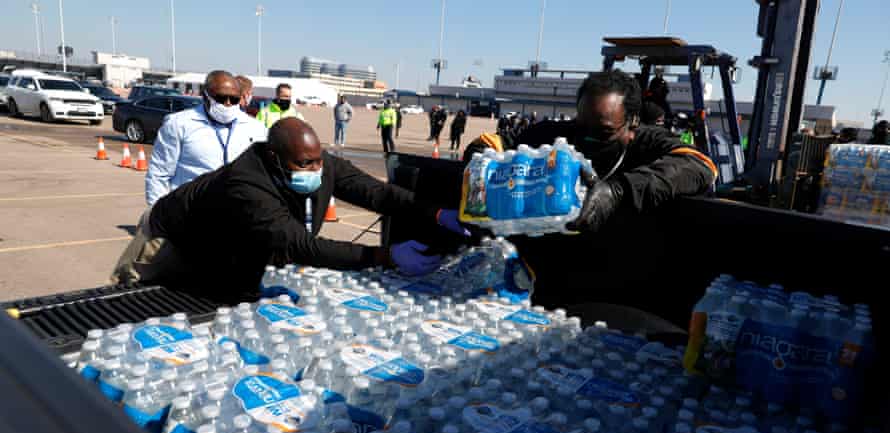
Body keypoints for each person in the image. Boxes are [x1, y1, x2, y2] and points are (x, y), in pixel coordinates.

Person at [111, 118, 469, 302]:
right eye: (304, 164)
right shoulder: (246, 184)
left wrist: (436, 214)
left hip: (225, 252)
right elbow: (301, 246)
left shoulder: (317, 162)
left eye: (318, 162)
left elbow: (377, 193)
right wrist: (387, 256)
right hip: (169, 240)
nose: (316, 171)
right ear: (273, 157)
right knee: (134, 308)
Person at [464, 70, 717, 232]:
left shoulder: (646, 141)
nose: (586, 138)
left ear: (632, 124)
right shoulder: (557, 135)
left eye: (603, 132)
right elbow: (496, 142)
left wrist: (618, 191)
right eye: (582, 125)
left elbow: (701, 165)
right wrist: (481, 160)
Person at [144, 70, 267, 206]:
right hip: (190, 214)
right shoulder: (179, 124)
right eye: (221, 98)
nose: (227, 104)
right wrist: (157, 215)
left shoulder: (256, 129)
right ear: (205, 96)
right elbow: (159, 174)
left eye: (234, 99)